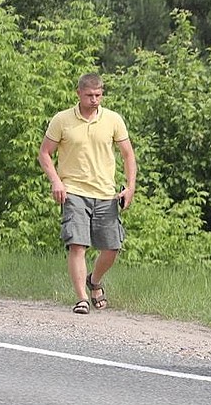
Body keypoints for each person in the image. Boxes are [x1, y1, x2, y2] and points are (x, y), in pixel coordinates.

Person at [38, 73, 137, 314]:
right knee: (77, 245)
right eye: (90, 95)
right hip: (73, 191)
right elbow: (44, 153)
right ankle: (82, 298)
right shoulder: (62, 120)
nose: (94, 100)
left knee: (112, 247)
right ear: (79, 93)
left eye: (98, 95)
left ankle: (94, 280)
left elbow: (127, 155)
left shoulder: (113, 119)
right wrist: (56, 182)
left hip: (106, 193)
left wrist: (130, 186)